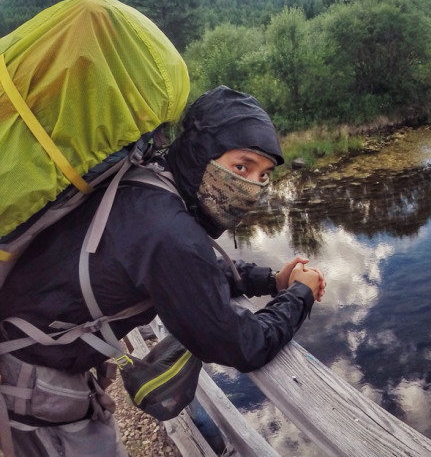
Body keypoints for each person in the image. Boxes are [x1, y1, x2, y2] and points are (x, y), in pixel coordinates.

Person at [0, 86, 326, 456]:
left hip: (32, 358)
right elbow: (240, 343)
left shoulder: (150, 184)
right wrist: (299, 294)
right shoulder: (170, 231)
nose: (251, 186)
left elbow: (190, 275)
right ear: (203, 153)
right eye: (242, 166)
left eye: (263, 175)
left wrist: (271, 280)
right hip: (33, 377)